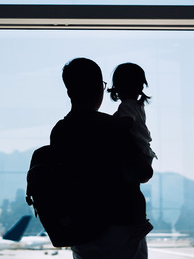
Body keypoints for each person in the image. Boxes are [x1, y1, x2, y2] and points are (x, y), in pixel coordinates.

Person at [50, 58, 153, 259]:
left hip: (81, 228)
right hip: (121, 225)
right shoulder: (112, 127)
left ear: (69, 90)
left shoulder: (60, 131)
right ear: (99, 87)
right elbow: (144, 173)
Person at [108, 63, 157, 163]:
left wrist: (109, 121)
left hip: (138, 153)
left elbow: (127, 122)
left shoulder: (126, 105)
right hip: (145, 152)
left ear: (117, 88)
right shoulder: (138, 106)